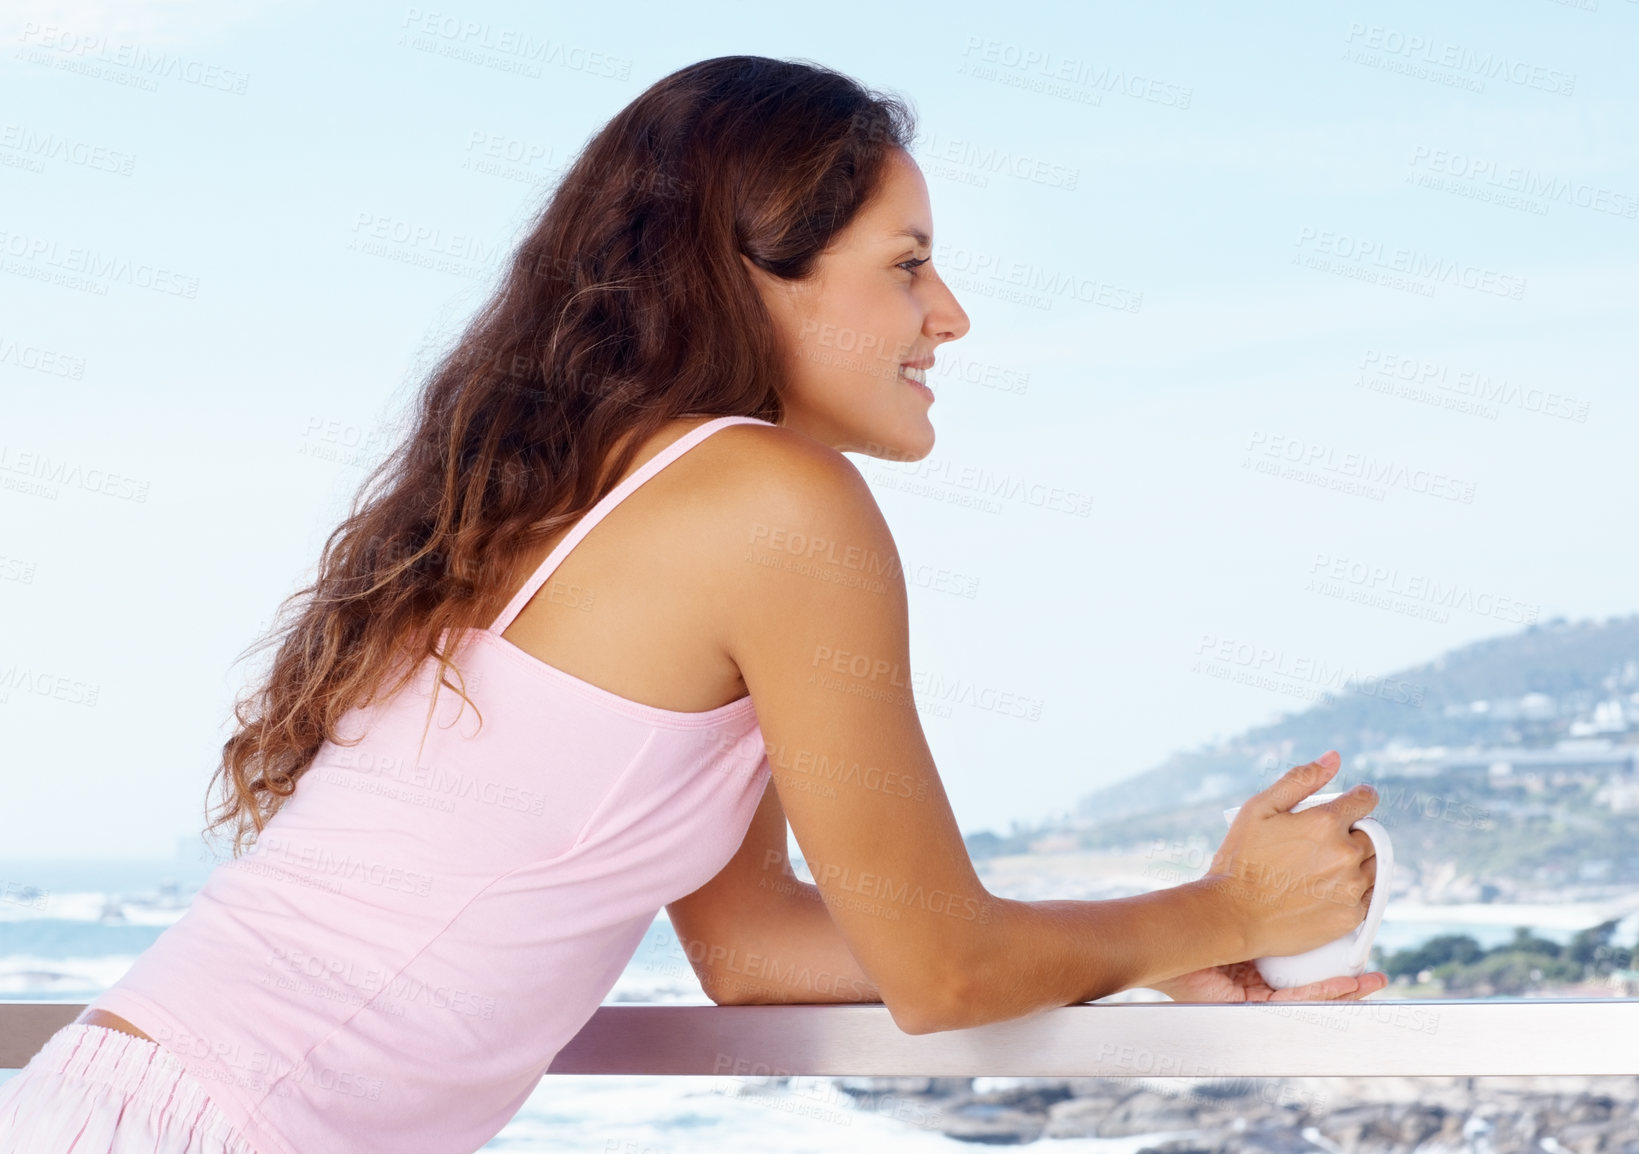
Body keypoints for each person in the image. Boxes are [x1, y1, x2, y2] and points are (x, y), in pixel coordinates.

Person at [0, 54, 1384, 1154]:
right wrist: (1219, 910)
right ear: (751, 277)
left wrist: (1131, 947)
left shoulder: (597, 491)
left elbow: (754, 945)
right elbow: (943, 971)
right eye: (906, 264)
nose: (948, 313)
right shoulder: (775, 504)